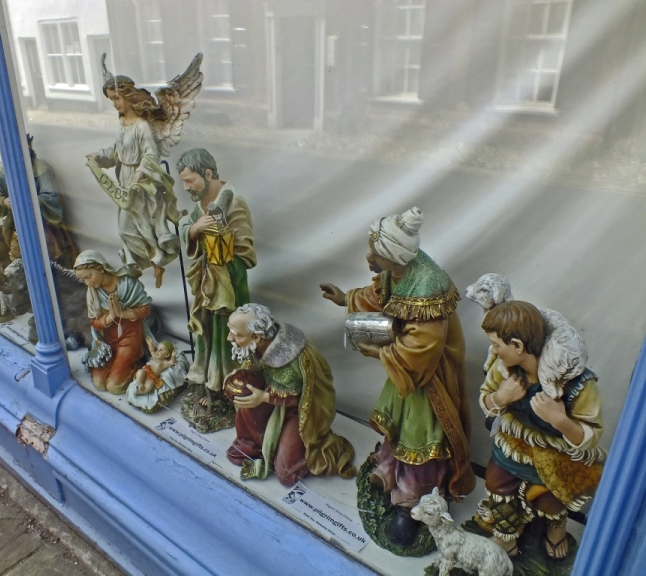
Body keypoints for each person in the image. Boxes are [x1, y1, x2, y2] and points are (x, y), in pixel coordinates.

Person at [320, 207, 474, 547]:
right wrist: (346, 298)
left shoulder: (428, 285)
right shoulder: (397, 272)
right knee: (399, 426)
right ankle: (390, 472)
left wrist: (379, 352)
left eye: (375, 255)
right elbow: (380, 295)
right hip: (405, 371)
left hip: (428, 379)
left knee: (421, 437)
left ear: (394, 256)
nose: (369, 259)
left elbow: (423, 347)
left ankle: (412, 501)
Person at [479, 300, 604, 559]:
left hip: (555, 456)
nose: (493, 351)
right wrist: (501, 397)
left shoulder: (577, 382)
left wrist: (559, 419)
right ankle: (506, 538)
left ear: (517, 346)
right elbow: (486, 399)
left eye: (497, 344)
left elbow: (590, 435)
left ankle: (555, 528)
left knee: (551, 500)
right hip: (513, 444)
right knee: (497, 482)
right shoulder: (504, 369)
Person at [225, 303, 355, 486]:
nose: (229, 338)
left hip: (298, 410)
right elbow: (256, 367)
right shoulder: (255, 344)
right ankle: (252, 445)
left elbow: (304, 396)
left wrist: (264, 397)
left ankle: (308, 452)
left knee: (286, 474)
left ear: (256, 337)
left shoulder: (291, 357)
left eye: (236, 334)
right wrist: (240, 376)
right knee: (246, 399)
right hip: (269, 397)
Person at [177, 148, 256, 430]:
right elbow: (188, 229)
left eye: (190, 181)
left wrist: (222, 243)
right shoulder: (201, 203)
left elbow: (246, 250)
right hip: (206, 287)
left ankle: (227, 387)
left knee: (227, 338)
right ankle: (208, 382)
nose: (186, 188)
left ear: (208, 174)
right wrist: (194, 230)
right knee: (205, 335)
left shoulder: (234, 202)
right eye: (184, 182)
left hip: (228, 289)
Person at [88, 70, 184, 288]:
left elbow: (151, 153)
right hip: (125, 180)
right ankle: (151, 261)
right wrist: (100, 155)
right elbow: (117, 150)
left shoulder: (142, 125)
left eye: (116, 98)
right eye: (111, 99)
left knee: (132, 226)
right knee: (133, 228)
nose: (114, 103)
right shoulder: (123, 122)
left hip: (140, 183)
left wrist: (141, 171)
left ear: (128, 96)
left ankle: (156, 258)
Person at [0, 135, 77, 268]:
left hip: (41, 213)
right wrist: (3, 200)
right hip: (16, 213)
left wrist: (30, 201)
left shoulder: (41, 169)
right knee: (6, 230)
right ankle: (12, 262)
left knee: (54, 238)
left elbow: (50, 195)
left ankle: (61, 264)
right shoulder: (4, 170)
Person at [74, 250, 152, 394]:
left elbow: (145, 309)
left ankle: (139, 366)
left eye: (88, 276)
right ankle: (123, 366)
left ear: (100, 268)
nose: (87, 282)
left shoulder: (127, 282)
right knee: (99, 383)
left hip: (129, 337)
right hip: (108, 341)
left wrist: (121, 313)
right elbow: (95, 323)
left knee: (114, 386)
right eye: (83, 280)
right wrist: (110, 316)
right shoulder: (93, 292)